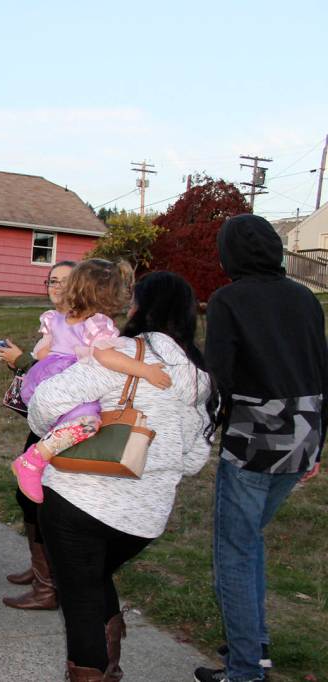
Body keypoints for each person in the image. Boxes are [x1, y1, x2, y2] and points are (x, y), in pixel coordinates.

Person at [29, 271, 216, 681]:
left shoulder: (118, 352)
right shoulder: (200, 379)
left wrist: (56, 433)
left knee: (80, 598)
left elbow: (45, 401)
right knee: (94, 577)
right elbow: (194, 458)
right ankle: (110, 665)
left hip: (77, 501)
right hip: (142, 520)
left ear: (137, 309)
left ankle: (95, 669)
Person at [194, 214, 325, 682]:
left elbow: (220, 377)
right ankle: (254, 647)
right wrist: (318, 442)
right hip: (305, 433)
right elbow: (320, 367)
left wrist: (200, 424)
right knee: (249, 544)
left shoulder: (230, 299)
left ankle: (245, 668)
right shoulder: (305, 297)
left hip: (255, 439)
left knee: (234, 551)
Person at [12, 259, 171, 503]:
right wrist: (145, 370)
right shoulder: (97, 324)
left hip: (42, 377)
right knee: (88, 422)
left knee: (64, 424)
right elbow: (106, 356)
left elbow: (42, 353)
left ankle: (42, 458)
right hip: (64, 378)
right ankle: (33, 460)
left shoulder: (57, 318)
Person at [0, 259, 76, 611]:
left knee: (42, 501)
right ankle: (40, 569)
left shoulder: (85, 327)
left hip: (65, 429)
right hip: (41, 424)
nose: (55, 287)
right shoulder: (53, 321)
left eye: (63, 281)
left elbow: (65, 379)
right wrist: (21, 364)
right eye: (51, 280)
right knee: (26, 497)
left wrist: (25, 365)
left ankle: (48, 588)